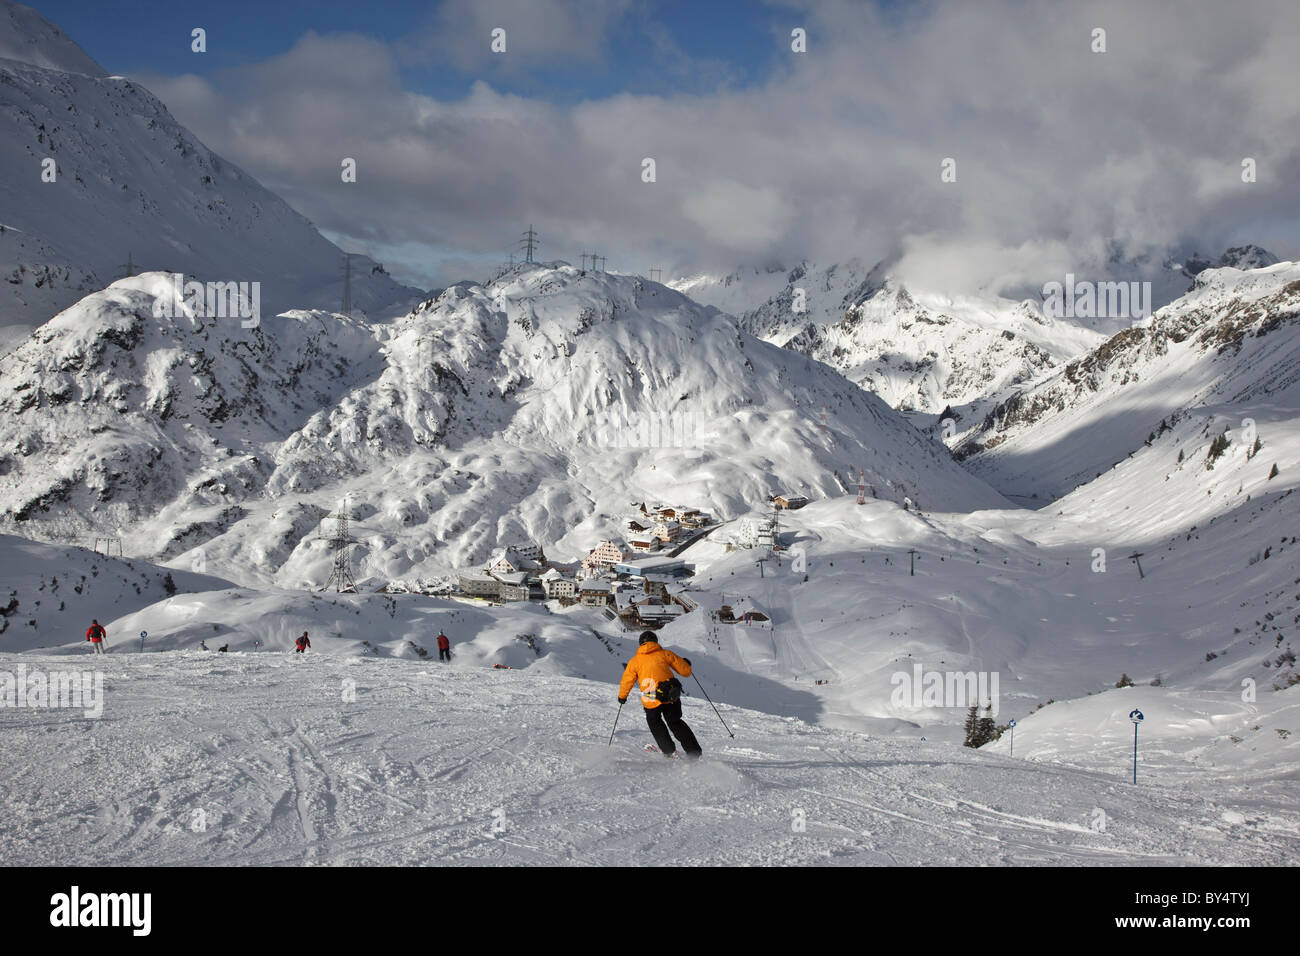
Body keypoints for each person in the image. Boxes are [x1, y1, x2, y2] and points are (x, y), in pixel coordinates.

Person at [618, 631, 702, 759]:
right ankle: (694, 752)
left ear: (640, 644)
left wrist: (622, 697)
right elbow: (686, 672)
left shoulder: (635, 661)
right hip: (670, 696)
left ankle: (668, 751)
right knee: (675, 722)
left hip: (650, 699)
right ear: (655, 642)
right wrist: (686, 663)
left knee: (655, 723)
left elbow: (627, 680)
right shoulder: (665, 654)